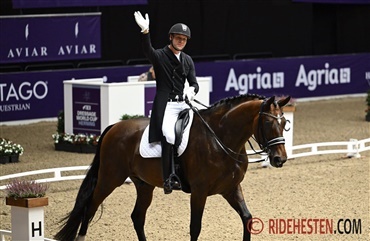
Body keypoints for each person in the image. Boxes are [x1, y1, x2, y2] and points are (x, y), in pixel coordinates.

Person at [134, 11, 199, 194]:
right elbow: (147, 50)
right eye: (178, 38)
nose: (181, 42)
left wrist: (192, 90)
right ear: (171, 38)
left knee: (202, 127)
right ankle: (169, 177)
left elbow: (194, 83)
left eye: (184, 40)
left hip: (184, 103)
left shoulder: (187, 60)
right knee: (169, 136)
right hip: (168, 105)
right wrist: (145, 31)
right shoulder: (160, 55)